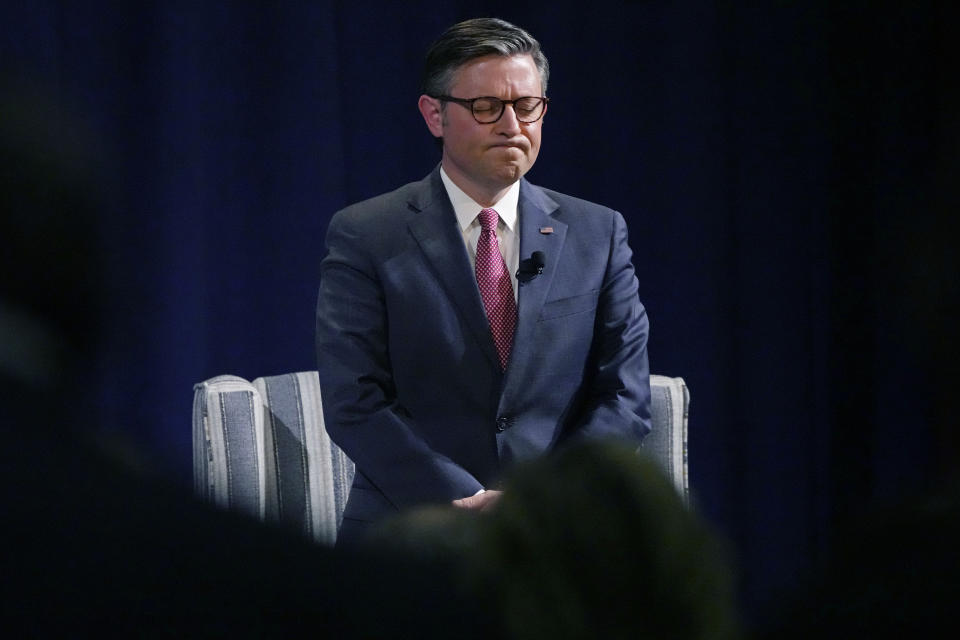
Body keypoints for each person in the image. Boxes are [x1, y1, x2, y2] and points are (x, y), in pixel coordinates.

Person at [316, 18, 652, 545]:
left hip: (560, 534)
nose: (512, 125)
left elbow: (624, 396)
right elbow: (354, 401)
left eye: (527, 106)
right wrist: (464, 500)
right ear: (435, 115)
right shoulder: (367, 234)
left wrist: (541, 498)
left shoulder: (599, 232)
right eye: (486, 107)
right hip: (412, 529)